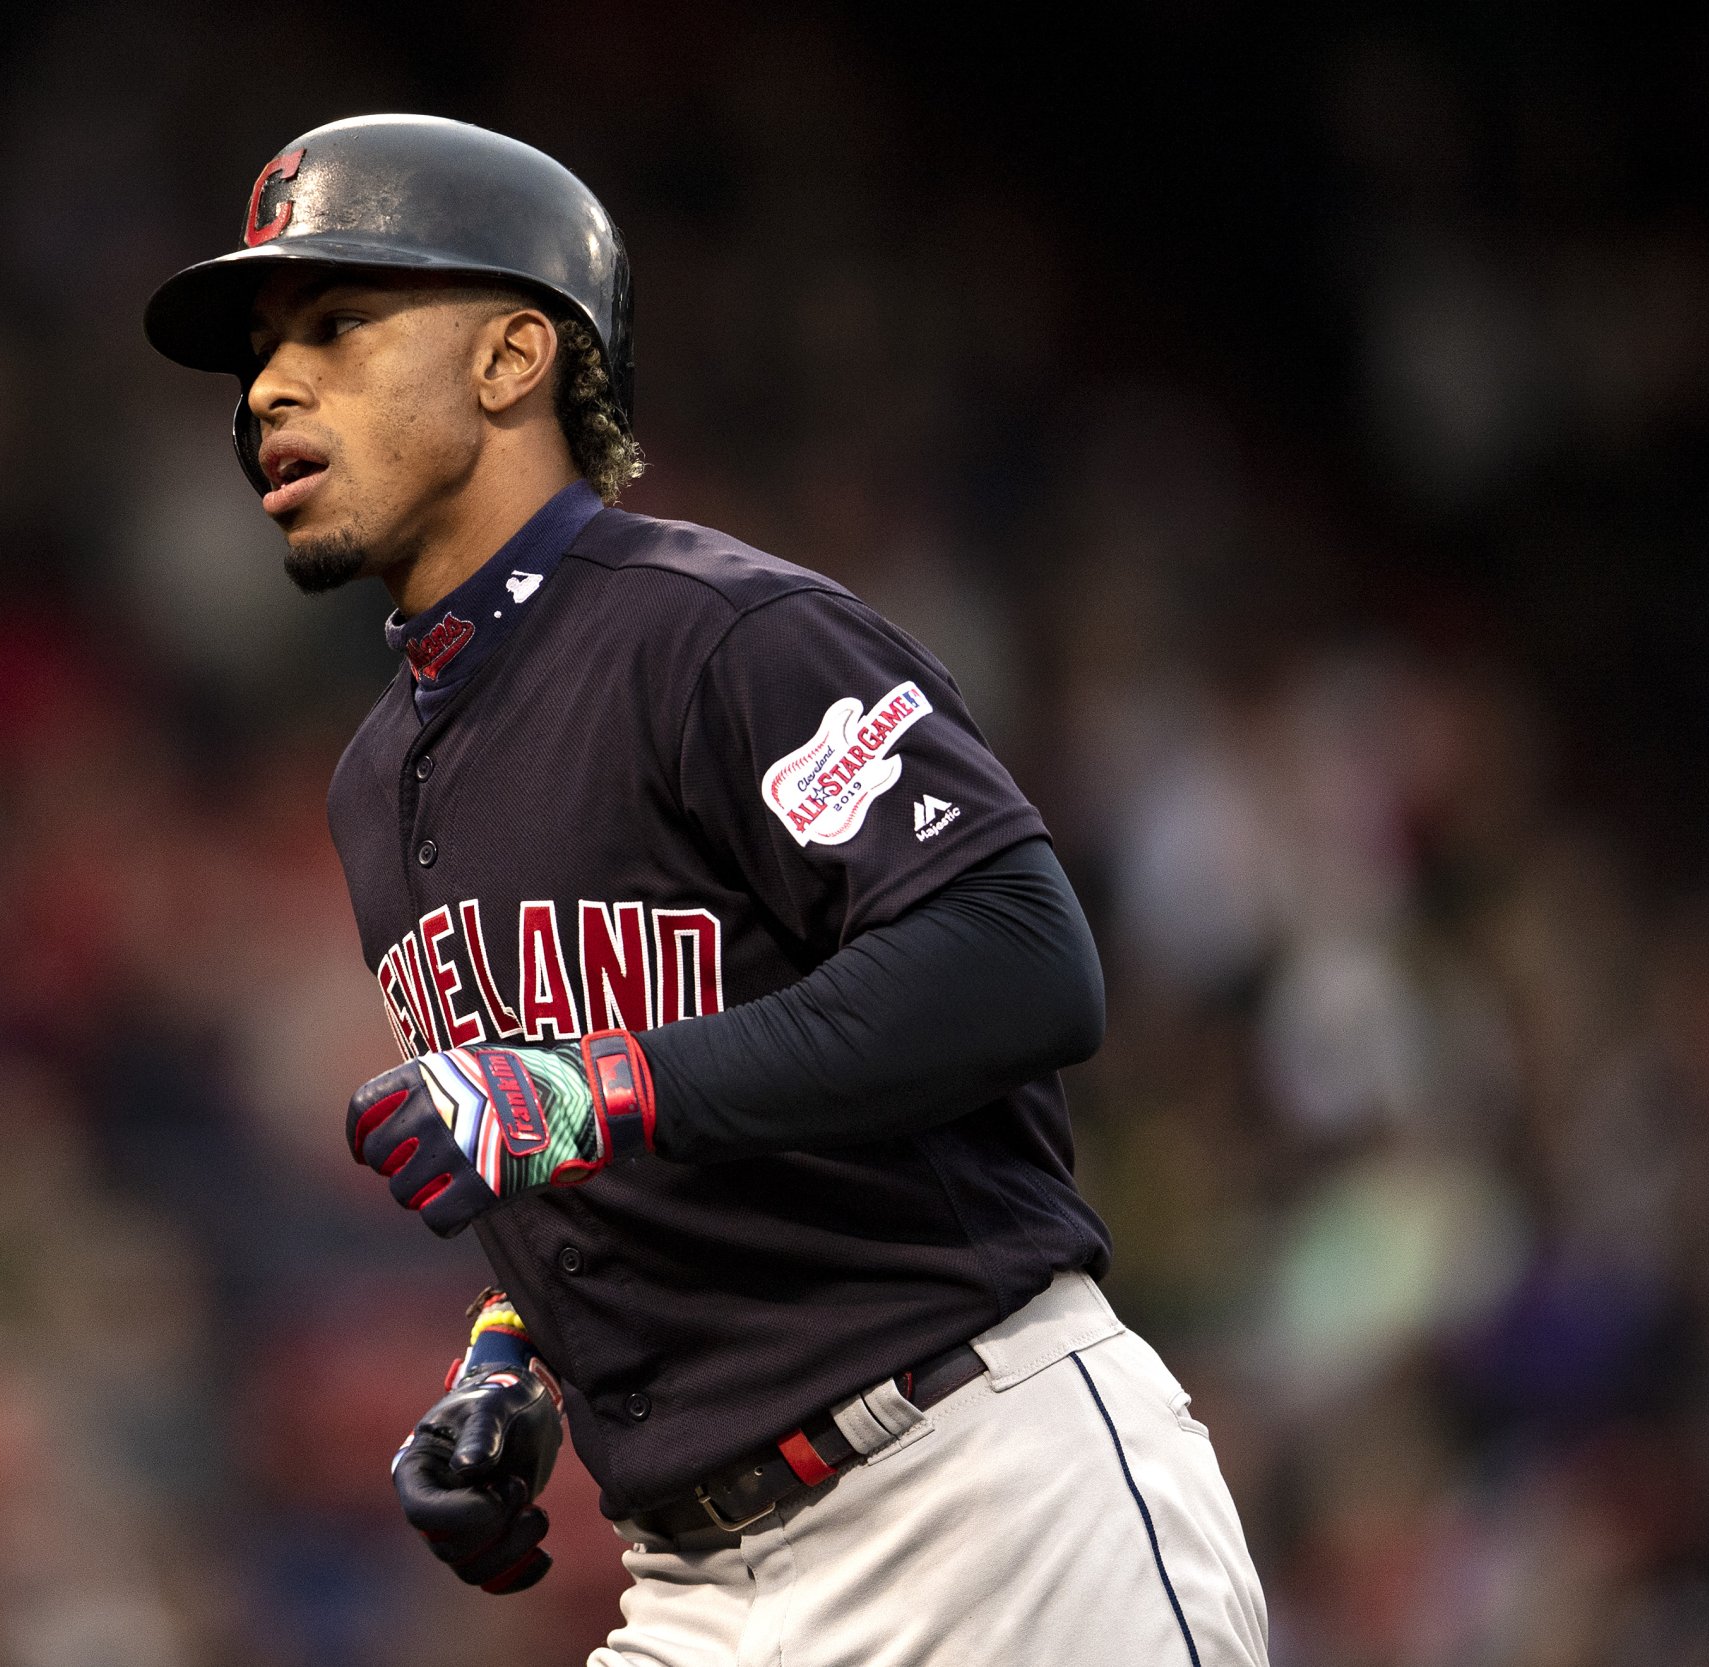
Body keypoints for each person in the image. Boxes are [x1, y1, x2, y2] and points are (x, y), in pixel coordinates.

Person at [145, 113, 1269, 1667]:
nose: (270, 385)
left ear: (512, 359)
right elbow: (605, 1130)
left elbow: (1023, 959)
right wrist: (506, 1360)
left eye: (336, 326)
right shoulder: (371, 781)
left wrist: (587, 1088)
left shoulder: (720, 635)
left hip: (983, 1501)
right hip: (696, 1584)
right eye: (263, 350)